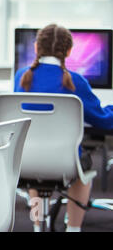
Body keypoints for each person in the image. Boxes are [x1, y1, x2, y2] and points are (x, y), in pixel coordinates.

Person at [14, 23, 113, 232]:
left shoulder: (21, 77)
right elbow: (104, 120)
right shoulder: (75, 81)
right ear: (68, 51)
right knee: (82, 171)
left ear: (36, 48)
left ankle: (37, 225)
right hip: (64, 164)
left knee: (36, 170)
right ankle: (73, 229)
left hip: (25, 163)